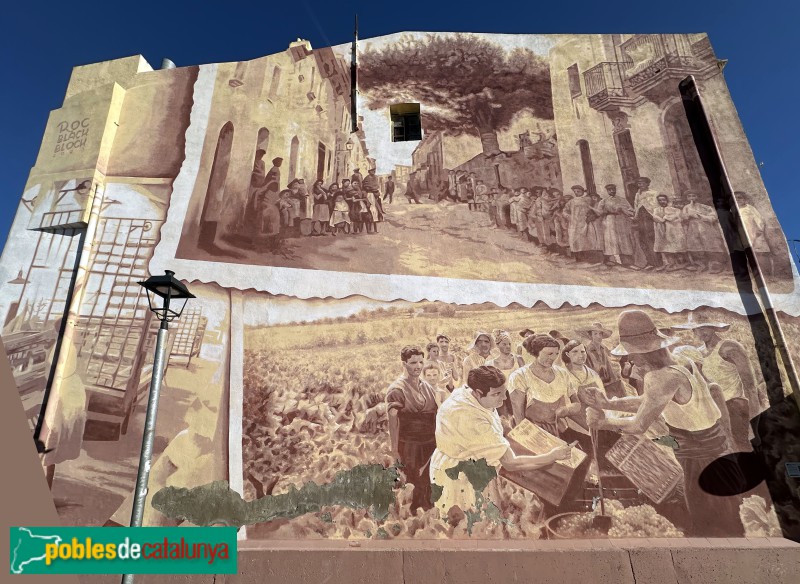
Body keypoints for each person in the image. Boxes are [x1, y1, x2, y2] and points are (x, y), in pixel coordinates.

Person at [584, 309, 745, 537]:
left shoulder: (660, 378)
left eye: (632, 354)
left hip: (701, 456)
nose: (630, 359)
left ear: (646, 351)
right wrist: (610, 403)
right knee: (723, 510)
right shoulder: (681, 363)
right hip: (712, 450)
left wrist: (603, 421)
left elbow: (638, 425)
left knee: (710, 518)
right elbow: (649, 401)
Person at [429, 366, 571, 515]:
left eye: (504, 393)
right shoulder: (469, 418)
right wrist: (552, 456)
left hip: (469, 464)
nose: (503, 399)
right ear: (478, 393)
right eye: (497, 394)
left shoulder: (466, 392)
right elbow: (510, 463)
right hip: (460, 477)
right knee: (470, 522)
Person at [672, 313, 765, 452]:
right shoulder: (697, 353)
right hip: (715, 412)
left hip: (736, 409)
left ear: (713, 328)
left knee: (746, 451)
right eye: (697, 328)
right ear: (693, 331)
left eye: (705, 327)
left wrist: (754, 425)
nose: (701, 332)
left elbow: (750, 386)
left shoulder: (729, 347)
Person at [386, 346, 439, 513]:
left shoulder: (427, 387)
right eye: (413, 362)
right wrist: (394, 450)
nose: (418, 366)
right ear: (404, 364)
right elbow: (393, 422)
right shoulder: (397, 389)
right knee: (413, 481)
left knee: (430, 480)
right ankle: (413, 517)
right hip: (409, 444)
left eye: (421, 362)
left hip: (430, 443)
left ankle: (429, 515)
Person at [507, 334, 582, 436]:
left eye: (556, 353)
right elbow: (519, 417)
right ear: (537, 352)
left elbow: (577, 404)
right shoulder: (519, 376)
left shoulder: (562, 373)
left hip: (560, 428)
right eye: (549, 353)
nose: (553, 358)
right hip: (534, 432)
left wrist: (565, 410)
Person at [575, 322, 626, 398]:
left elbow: (609, 367)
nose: (598, 336)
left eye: (600, 334)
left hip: (607, 382)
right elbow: (588, 371)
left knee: (620, 387)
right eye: (595, 334)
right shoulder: (587, 351)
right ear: (591, 336)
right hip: (596, 383)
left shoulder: (603, 348)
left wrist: (614, 380)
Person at [681, 191, 727, 273]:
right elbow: (683, 217)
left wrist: (700, 216)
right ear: (687, 198)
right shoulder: (686, 207)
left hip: (706, 228)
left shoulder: (705, 207)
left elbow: (713, 217)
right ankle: (701, 265)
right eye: (689, 196)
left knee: (710, 245)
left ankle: (715, 266)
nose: (692, 198)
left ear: (697, 197)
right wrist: (688, 216)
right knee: (696, 246)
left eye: (694, 195)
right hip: (693, 228)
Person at [594, 183, 635, 267]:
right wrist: (606, 212)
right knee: (611, 239)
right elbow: (599, 212)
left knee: (623, 239)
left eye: (613, 189)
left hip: (621, 221)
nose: (612, 191)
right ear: (607, 191)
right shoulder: (604, 201)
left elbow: (631, 210)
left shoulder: (622, 200)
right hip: (609, 221)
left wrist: (623, 210)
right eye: (610, 190)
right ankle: (610, 260)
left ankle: (626, 261)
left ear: (615, 189)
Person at [486, 330, 524, 418]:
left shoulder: (518, 359)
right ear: (497, 345)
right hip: (500, 399)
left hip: (517, 397)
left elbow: (526, 380)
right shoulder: (490, 364)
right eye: (504, 344)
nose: (508, 346)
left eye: (509, 344)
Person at [563, 185, 603, 264]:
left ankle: (590, 259)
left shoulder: (588, 199)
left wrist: (592, 216)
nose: (577, 193)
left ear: (582, 191)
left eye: (578, 191)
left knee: (587, 239)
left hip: (586, 222)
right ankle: (578, 258)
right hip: (574, 223)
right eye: (575, 192)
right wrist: (569, 216)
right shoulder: (571, 202)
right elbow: (565, 211)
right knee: (575, 240)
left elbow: (595, 207)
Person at [735, 191, 773, 275]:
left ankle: (764, 272)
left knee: (758, 251)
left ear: (745, 199)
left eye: (740, 198)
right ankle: (748, 271)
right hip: (741, 234)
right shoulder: (734, 210)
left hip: (753, 232)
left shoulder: (749, 208)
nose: (737, 200)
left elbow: (759, 218)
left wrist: (759, 228)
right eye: (736, 198)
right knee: (744, 252)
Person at [652, 194, 687, 272]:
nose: (662, 202)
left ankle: (679, 263)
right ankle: (669, 263)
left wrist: (666, 218)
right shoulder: (656, 209)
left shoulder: (673, 209)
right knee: (665, 247)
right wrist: (661, 219)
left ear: (667, 200)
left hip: (672, 230)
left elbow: (676, 217)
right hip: (661, 230)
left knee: (674, 246)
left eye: (663, 200)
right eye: (660, 200)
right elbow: (654, 217)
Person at [632, 177, 660, 269]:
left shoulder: (654, 193)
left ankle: (657, 262)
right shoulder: (637, 194)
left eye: (642, 183)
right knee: (643, 239)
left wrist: (652, 213)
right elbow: (636, 206)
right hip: (641, 218)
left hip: (650, 217)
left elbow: (656, 205)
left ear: (648, 184)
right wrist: (636, 216)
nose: (640, 185)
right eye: (639, 183)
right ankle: (649, 262)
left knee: (652, 238)